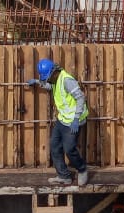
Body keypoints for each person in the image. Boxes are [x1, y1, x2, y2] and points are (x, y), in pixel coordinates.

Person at [25, 57, 90, 186]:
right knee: (55, 146)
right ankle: (64, 176)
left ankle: (82, 170)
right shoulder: (55, 79)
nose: (48, 80)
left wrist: (76, 118)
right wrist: (38, 82)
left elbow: (80, 98)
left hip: (73, 120)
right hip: (63, 119)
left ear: (54, 72)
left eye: (48, 77)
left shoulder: (66, 80)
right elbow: (51, 87)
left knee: (69, 148)